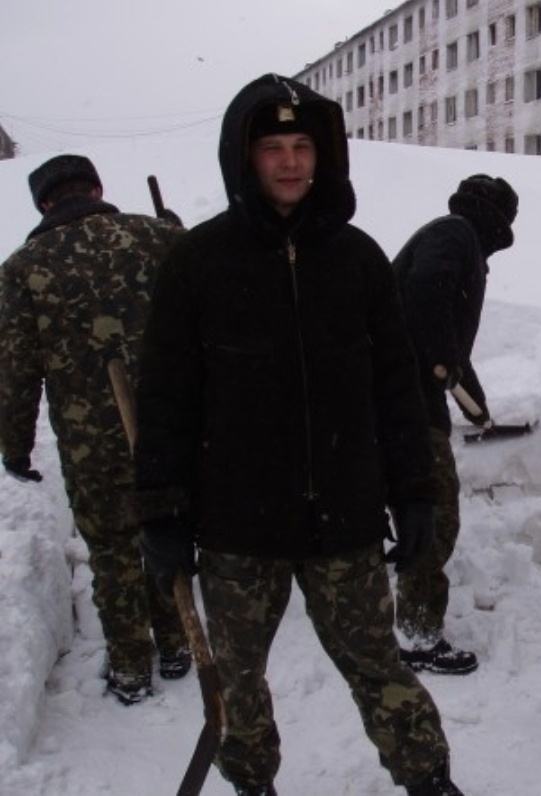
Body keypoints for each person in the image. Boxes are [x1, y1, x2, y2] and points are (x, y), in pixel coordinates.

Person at [130, 73, 465, 796]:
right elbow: (165, 397)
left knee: (377, 662)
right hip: (236, 528)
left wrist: (414, 493)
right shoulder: (199, 262)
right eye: (274, 147)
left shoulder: (358, 259)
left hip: (344, 518)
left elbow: (396, 394)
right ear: (245, 158)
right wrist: (160, 510)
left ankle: (429, 779)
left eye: (303, 146)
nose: (290, 163)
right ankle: (252, 783)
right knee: (238, 677)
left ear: (324, 155)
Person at [0, 154, 189, 706]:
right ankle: (176, 642)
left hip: (90, 443)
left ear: (43, 203)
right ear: (98, 188)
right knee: (165, 526)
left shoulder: (23, 268)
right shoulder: (155, 238)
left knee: (111, 550)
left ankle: (132, 667)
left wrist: (13, 445)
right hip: (167, 424)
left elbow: (14, 369)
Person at [390, 173, 519, 675]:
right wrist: (444, 365)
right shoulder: (455, 234)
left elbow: (444, 339)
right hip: (405, 404)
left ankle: (404, 623)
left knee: (414, 510)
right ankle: (418, 638)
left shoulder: (450, 234)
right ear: (496, 221)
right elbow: (427, 295)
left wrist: (474, 402)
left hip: (397, 396)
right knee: (436, 514)